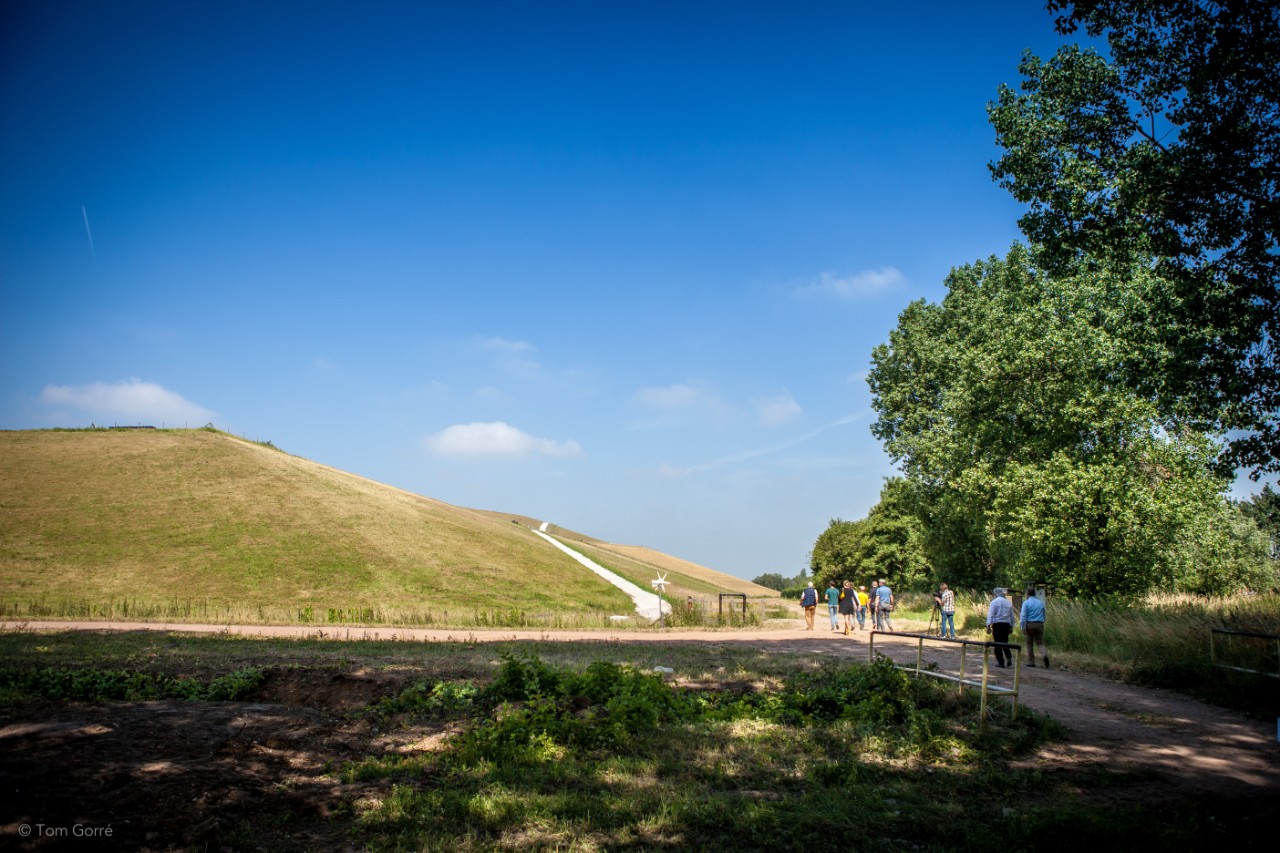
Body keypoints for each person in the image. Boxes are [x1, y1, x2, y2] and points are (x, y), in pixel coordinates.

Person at [986, 587, 1015, 668]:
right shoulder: (1008, 602)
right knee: (1005, 642)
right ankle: (1009, 657)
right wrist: (1011, 626)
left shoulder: (994, 602)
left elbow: (991, 615)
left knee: (997, 643)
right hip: (1006, 625)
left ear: (995, 594)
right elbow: (1011, 616)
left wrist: (988, 626)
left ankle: (1001, 662)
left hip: (997, 625)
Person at [1019, 586, 1048, 668]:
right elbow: (1044, 614)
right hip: (1040, 624)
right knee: (1040, 643)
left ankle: (1031, 661)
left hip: (1030, 624)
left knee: (1029, 644)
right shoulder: (1040, 603)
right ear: (1035, 594)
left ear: (1027, 594)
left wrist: (1023, 627)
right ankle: (1044, 655)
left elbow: (1023, 616)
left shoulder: (1026, 603)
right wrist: (1042, 622)